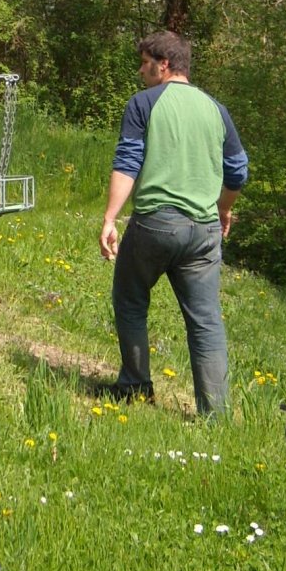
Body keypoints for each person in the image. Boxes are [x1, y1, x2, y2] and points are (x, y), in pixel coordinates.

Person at [99, 31, 248, 418]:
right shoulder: (216, 109)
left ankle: (134, 388)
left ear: (163, 65)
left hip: (156, 225)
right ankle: (215, 416)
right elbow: (238, 170)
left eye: (145, 63)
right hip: (204, 231)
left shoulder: (143, 103)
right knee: (206, 321)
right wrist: (224, 209)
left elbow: (128, 162)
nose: (141, 70)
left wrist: (110, 218)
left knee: (130, 300)